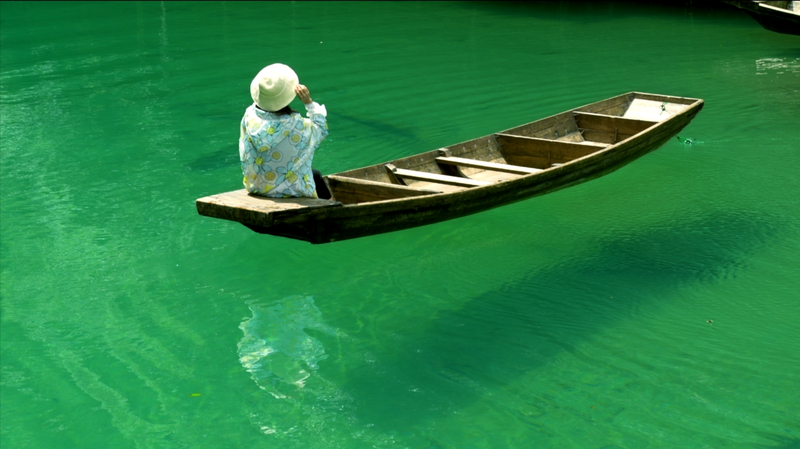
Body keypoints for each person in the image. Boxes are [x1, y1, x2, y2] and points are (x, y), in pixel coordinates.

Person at [239, 63, 331, 199]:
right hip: (290, 190)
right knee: (316, 175)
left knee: (315, 174)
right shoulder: (296, 124)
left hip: (258, 186)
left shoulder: (249, 116)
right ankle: (329, 210)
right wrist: (308, 102)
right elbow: (321, 128)